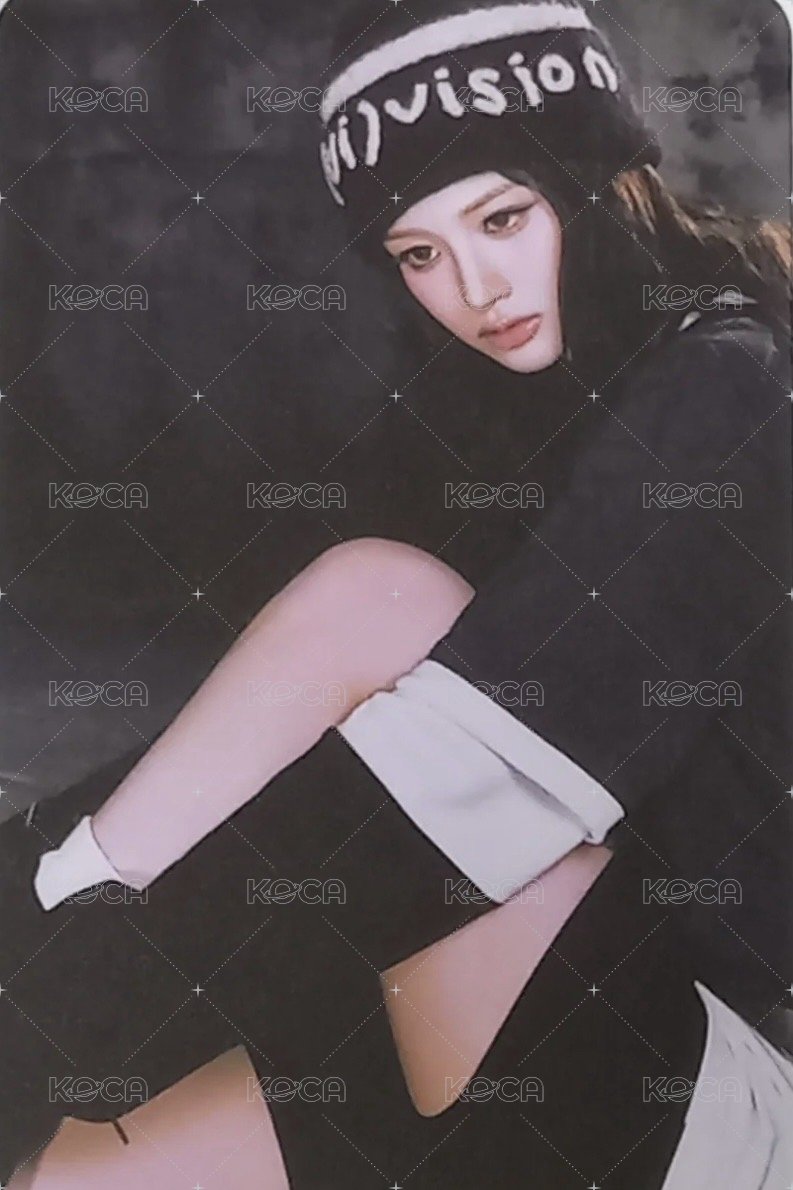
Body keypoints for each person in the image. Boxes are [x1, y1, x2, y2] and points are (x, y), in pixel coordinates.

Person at [2, 1, 792, 1185]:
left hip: (735, 1085)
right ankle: (49, 914)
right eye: (417, 253)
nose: (472, 286)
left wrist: (67, 996)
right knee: (64, 1169)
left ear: (599, 179)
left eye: (503, 216)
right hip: (568, 1023)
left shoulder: (731, 388)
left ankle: (43, 951)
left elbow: (475, 774)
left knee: (385, 607)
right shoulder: (529, 411)